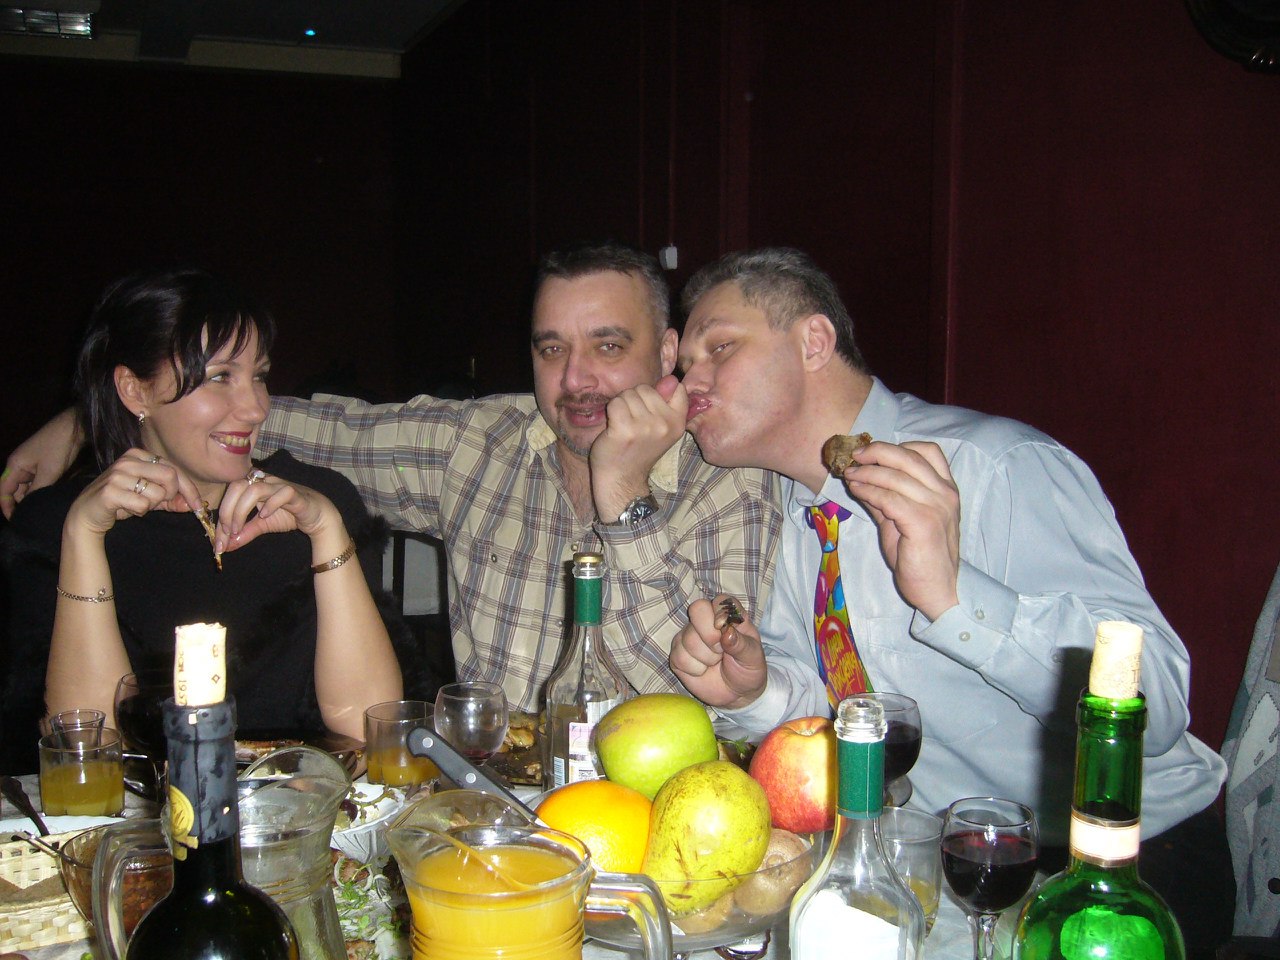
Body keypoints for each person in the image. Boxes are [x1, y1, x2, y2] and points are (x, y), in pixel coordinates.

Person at [668, 247, 1233, 955]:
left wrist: (956, 598)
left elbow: (1160, 703)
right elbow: (840, 702)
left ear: (813, 341)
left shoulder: (995, 466)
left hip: (1122, 871)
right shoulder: (792, 511)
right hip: (949, 870)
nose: (689, 381)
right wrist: (754, 690)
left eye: (719, 347)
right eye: (684, 364)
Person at [2, 243, 781, 715]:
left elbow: (706, 683)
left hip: (647, 832)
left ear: (667, 350)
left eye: (608, 347)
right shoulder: (481, 444)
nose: (575, 380)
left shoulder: (730, 481)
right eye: (551, 350)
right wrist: (92, 415)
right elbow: (266, 422)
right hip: (486, 813)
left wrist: (624, 496)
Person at [2, 268, 415, 772]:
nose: (256, 407)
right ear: (134, 390)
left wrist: (327, 530)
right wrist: (83, 536)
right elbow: (91, 759)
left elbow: (370, 732)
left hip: (301, 812)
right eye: (221, 377)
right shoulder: (54, 525)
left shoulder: (316, 503)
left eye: (259, 375)